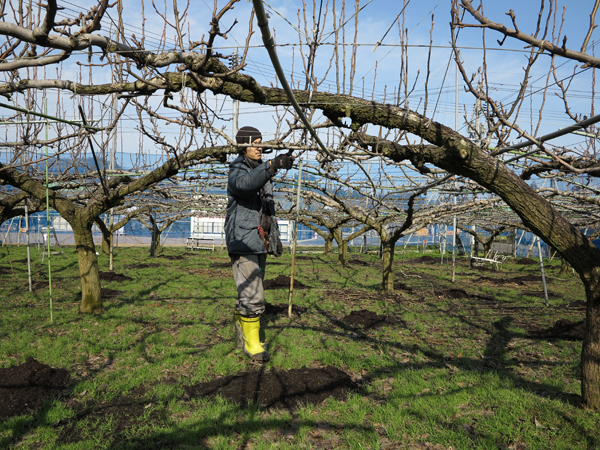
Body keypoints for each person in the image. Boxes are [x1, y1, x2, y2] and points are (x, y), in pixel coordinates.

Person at [225, 126, 293, 361]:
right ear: (243, 146)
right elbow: (244, 185)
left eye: (261, 142)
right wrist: (271, 166)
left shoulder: (258, 170)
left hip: (258, 241)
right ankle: (252, 344)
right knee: (254, 295)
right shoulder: (237, 169)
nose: (259, 147)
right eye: (254, 143)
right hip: (244, 241)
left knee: (250, 291)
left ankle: (241, 329)